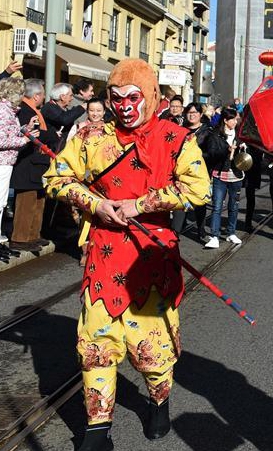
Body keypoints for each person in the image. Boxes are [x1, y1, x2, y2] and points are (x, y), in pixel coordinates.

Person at [43, 58, 210, 451]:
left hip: (150, 256)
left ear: (150, 96)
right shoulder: (90, 138)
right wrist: (94, 204)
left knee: (152, 347)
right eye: (115, 98)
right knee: (96, 343)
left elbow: (199, 189)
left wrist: (140, 204)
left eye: (133, 97)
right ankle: (97, 429)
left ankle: (159, 400)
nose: (124, 106)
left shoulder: (176, 139)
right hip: (103, 252)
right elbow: (57, 177)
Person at [9, 79, 55, 251]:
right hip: (27, 163)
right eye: (42, 93)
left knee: (38, 200)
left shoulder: (32, 109)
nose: (44, 96)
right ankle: (20, 238)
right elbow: (32, 133)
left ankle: (33, 235)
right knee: (26, 201)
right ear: (36, 96)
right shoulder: (25, 110)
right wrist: (51, 134)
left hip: (37, 162)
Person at [171, 103, 221, 240]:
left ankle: (200, 228)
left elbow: (212, 153)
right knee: (180, 200)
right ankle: (176, 231)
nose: (192, 115)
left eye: (194, 112)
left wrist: (196, 157)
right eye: (189, 112)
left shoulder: (208, 131)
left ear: (200, 114)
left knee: (199, 201)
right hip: (181, 172)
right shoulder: (181, 130)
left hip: (200, 172)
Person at [205, 108, 245, 248]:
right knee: (217, 206)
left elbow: (248, 153)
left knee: (233, 206)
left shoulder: (240, 134)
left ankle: (231, 233)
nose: (236, 121)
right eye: (233, 119)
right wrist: (226, 150)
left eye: (236, 119)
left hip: (236, 174)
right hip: (220, 174)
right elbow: (212, 154)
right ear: (225, 120)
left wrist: (244, 148)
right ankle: (214, 236)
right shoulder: (216, 134)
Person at [0, 78, 31, 255]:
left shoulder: (9, 111)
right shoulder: (4, 112)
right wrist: (23, 140)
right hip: (2, 161)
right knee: (0, 202)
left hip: (7, 161)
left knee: (2, 202)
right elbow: (1, 139)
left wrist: (26, 128)